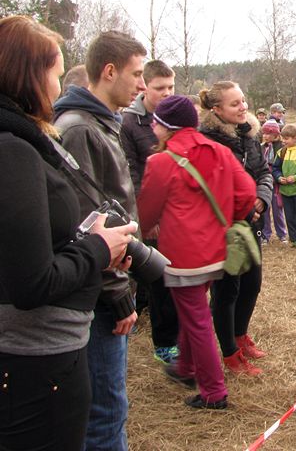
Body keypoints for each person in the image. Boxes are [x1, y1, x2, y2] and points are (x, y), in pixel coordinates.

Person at [0, 15, 134, 451]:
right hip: (39, 352)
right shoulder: (16, 149)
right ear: (28, 76)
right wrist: (100, 250)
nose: (58, 89)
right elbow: (32, 279)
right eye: (56, 75)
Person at [53, 30, 146, 450]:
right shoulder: (78, 130)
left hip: (109, 282)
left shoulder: (102, 124)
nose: (142, 86)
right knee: (105, 414)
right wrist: (117, 294)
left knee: (111, 407)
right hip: (98, 294)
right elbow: (83, 224)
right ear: (109, 72)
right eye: (137, 74)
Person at [138, 95, 256, 410]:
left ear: (167, 127)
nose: (152, 127)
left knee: (196, 318)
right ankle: (186, 367)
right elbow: (246, 193)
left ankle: (213, 392)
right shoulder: (220, 151)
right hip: (218, 250)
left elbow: (147, 211)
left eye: (156, 123)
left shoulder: (160, 161)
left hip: (183, 256)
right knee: (196, 313)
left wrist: (146, 229)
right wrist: (229, 220)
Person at [198, 81, 273, 376]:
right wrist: (243, 206)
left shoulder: (250, 136)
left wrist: (262, 200)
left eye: (243, 101)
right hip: (225, 226)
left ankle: (241, 336)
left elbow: (264, 172)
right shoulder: (209, 141)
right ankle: (230, 352)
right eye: (234, 104)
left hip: (251, 220)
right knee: (227, 290)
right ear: (216, 110)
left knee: (252, 283)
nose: (243, 107)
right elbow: (210, 187)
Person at [120, 59, 179, 364]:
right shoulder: (131, 123)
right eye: (160, 88)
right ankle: (165, 342)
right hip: (149, 210)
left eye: (171, 87)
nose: (167, 93)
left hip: (178, 210)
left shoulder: (177, 116)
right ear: (145, 87)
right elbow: (131, 173)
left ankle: (179, 332)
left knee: (178, 274)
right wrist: (146, 219)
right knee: (160, 277)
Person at [261, 120, 288, 244]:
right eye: (264, 133)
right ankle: (265, 234)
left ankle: (282, 233)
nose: (265, 136)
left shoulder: (282, 148)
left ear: (276, 135)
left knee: (278, 210)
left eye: (268, 134)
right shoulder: (261, 148)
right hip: (264, 184)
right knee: (265, 211)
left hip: (277, 183)